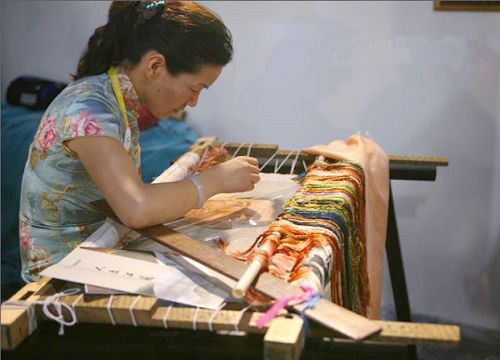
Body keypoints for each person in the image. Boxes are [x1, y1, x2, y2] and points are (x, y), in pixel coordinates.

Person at [18, 0, 260, 283]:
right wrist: (215, 181)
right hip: (57, 279)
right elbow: (136, 208)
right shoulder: (87, 109)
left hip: (98, 252)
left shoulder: (117, 101)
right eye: (194, 88)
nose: (193, 102)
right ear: (154, 65)